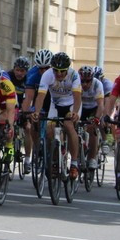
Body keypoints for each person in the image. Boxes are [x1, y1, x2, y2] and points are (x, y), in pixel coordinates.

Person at [33, 51, 82, 180]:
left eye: (62, 71)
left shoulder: (74, 75)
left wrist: (75, 112)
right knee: (50, 131)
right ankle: (55, 160)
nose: (59, 74)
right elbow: (40, 97)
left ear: (67, 69)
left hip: (71, 104)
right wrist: (37, 112)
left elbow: (77, 98)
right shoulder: (48, 75)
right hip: (55, 104)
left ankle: (74, 163)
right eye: (56, 71)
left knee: (68, 125)